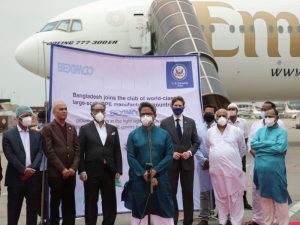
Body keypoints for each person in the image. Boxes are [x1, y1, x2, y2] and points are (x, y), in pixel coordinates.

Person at [125, 102, 174, 225]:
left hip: (160, 179)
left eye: (148, 114)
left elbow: (169, 156)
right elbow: (131, 157)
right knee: (140, 209)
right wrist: (144, 173)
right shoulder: (133, 135)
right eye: (143, 114)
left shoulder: (164, 134)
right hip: (139, 179)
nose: (145, 116)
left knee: (163, 208)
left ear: (155, 115)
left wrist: (155, 170)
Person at [79, 102, 122, 225]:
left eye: (101, 110)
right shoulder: (85, 129)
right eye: (96, 110)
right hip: (91, 170)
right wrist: (81, 170)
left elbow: (117, 151)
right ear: (91, 112)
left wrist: (118, 169)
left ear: (105, 111)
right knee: (91, 200)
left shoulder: (113, 129)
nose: (99, 113)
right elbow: (80, 152)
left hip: (109, 170)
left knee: (109, 201)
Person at [160, 96, 200, 225]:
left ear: (184, 106)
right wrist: (171, 153)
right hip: (171, 164)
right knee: (171, 192)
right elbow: (161, 143)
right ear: (171, 106)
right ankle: (173, 220)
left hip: (187, 163)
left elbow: (196, 141)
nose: (178, 108)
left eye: (180, 105)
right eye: (175, 105)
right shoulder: (165, 123)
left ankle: (188, 221)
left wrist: (189, 152)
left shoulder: (191, 122)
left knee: (187, 192)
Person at [246, 101, 285, 225]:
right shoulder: (256, 126)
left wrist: (263, 150)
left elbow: (280, 147)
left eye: (267, 110)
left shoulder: (281, 126)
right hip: (258, 166)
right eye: (263, 110)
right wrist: (263, 153)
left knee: (276, 194)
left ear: (275, 114)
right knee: (258, 195)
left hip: (274, 167)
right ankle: (258, 219)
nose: (265, 113)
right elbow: (252, 144)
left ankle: (277, 221)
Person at [2, 105, 43, 225]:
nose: (29, 118)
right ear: (18, 118)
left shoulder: (37, 134)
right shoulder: (8, 135)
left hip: (34, 179)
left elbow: (40, 153)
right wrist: (24, 170)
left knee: (32, 212)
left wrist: (31, 169)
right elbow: (10, 156)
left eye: (30, 115)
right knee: (13, 212)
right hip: (16, 179)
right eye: (25, 116)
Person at [41, 101, 80, 225]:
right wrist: (63, 169)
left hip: (71, 173)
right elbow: (49, 151)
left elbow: (77, 150)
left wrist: (73, 168)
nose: (64, 111)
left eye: (65, 108)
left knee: (69, 203)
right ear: (54, 112)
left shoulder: (72, 127)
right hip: (56, 174)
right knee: (55, 203)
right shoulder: (47, 128)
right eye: (61, 109)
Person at [205, 109, 246, 225]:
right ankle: (222, 220)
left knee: (235, 195)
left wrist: (231, 157)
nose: (222, 117)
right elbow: (208, 148)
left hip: (233, 169)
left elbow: (242, 149)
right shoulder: (210, 132)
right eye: (219, 115)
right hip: (216, 170)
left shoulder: (236, 131)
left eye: (224, 115)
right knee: (220, 195)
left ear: (227, 117)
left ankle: (236, 221)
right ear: (215, 117)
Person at [227, 103, 252, 210]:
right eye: (229, 109)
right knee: (228, 179)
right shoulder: (224, 122)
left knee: (241, 178)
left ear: (237, 111)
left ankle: (244, 200)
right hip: (227, 156)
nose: (231, 110)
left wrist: (241, 152)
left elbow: (246, 138)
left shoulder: (243, 122)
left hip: (240, 155)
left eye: (233, 109)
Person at [195, 104, 216, 225]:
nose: (208, 114)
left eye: (211, 113)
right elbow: (195, 146)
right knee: (204, 192)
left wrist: (213, 160)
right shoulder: (198, 128)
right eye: (206, 112)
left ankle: (225, 216)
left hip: (218, 164)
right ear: (203, 113)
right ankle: (204, 218)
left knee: (220, 191)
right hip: (203, 164)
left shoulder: (219, 127)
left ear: (214, 114)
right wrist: (203, 160)